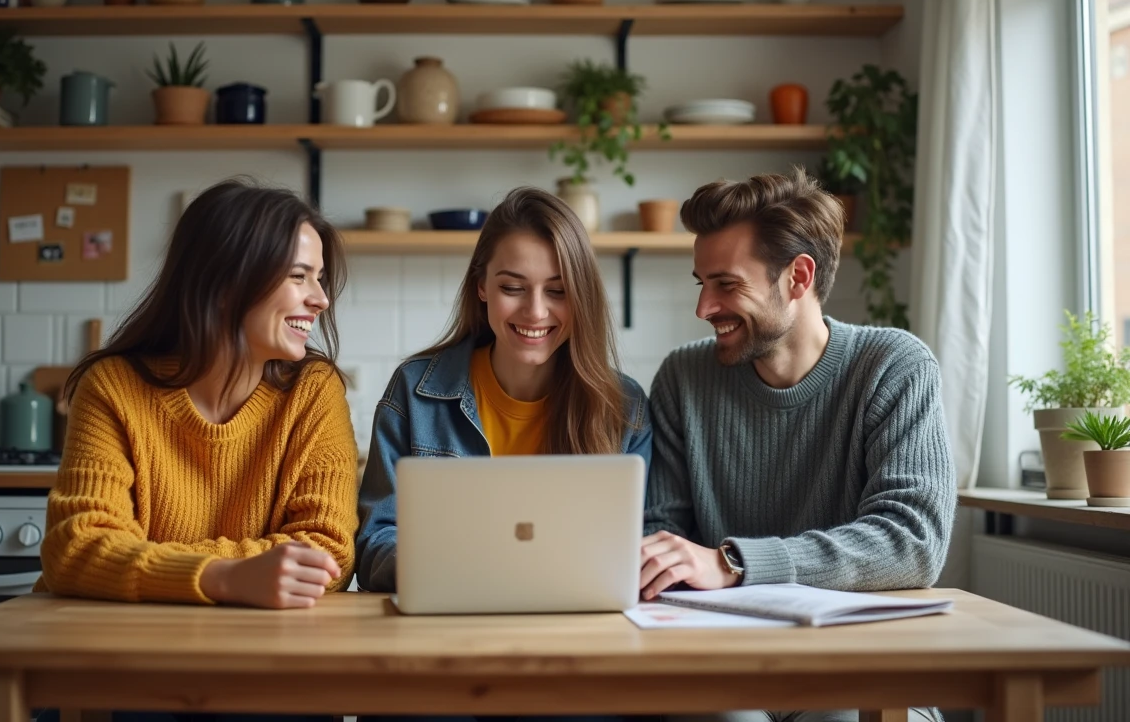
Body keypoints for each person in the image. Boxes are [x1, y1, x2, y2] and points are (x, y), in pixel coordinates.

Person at [640, 169, 953, 722]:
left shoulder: (893, 366)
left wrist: (735, 563)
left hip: (860, 671)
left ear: (798, 276)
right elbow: (659, 538)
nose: (704, 307)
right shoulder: (682, 379)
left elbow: (912, 540)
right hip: (721, 672)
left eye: (726, 284)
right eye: (701, 283)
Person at [38, 179, 359, 612]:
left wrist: (150, 562)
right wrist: (224, 577)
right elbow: (76, 546)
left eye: (319, 279)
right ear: (225, 285)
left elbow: (328, 550)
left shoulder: (314, 392)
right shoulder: (112, 388)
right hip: (115, 641)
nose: (320, 299)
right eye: (299, 276)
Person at [355, 186, 652, 598]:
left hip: (577, 627)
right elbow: (373, 543)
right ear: (482, 287)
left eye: (558, 291)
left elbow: (646, 545)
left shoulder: (624, 407)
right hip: (447, 625)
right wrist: (439, 567)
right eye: (513, 288)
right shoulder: (414, 391)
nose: (535, 311)